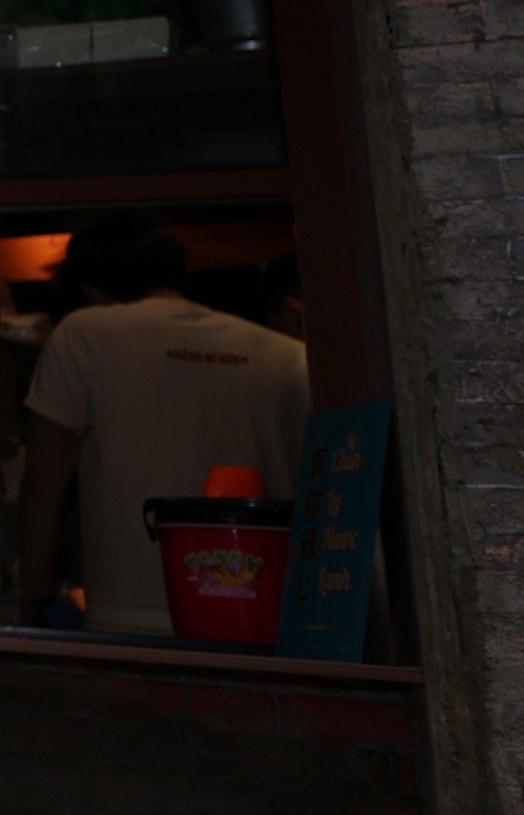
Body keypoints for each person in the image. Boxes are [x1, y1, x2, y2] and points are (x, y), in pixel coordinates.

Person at [19, 216, 310, 636]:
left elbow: (45, 477)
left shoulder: (84, 334)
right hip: (267, 608)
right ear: (179, 271)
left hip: (132, 614)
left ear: (88, 287)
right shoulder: (286, 355)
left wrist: (34, 594)